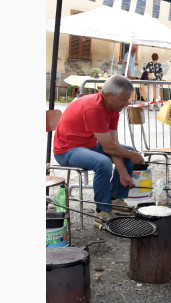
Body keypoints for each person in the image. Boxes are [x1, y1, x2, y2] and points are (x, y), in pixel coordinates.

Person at [53, 75, 145, 228]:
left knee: (128, 151)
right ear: (109, 95)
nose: (127, 103)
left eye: (128, 99)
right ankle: (101, 210)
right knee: (103, 162)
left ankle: (115, 199)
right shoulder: (94, 107)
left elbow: (113, 143)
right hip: (66, 150)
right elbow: (109, 148)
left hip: (88, 145)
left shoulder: (113, 108)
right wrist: (131, 157)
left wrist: (123, 171)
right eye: (124, 99)